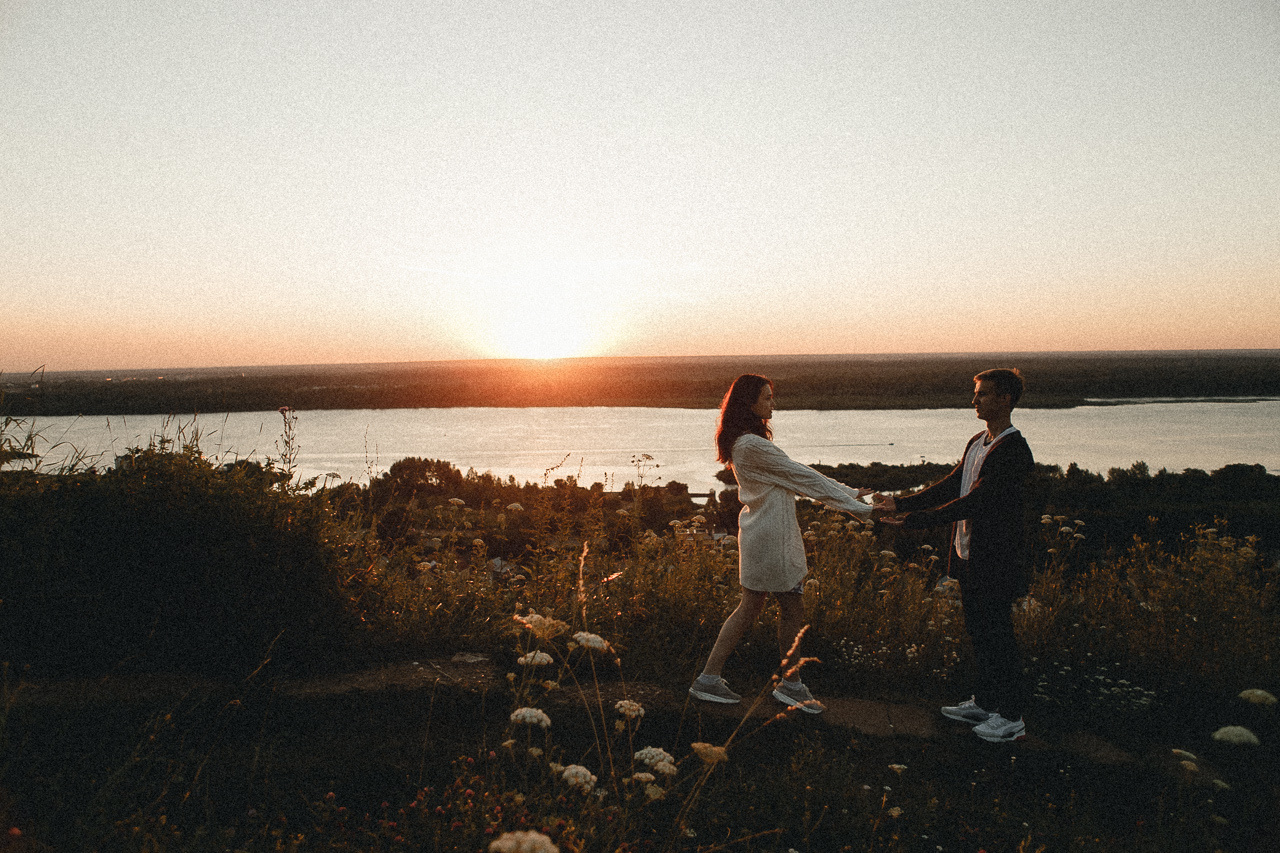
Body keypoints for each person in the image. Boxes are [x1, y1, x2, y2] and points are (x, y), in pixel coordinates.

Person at [689, 374, 875, 714]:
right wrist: (860, 508)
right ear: (749, 402)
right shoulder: (751, 445)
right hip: (772, 537)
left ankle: (712, 678)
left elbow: (798, 473)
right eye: (767, 397)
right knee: (788, 609)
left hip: (764, 533)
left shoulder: (745, 442)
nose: (773, 403)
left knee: (751, 608)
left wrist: (849, 493)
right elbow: (803, 477)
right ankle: (789, 685)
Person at [874, 368, 1035, 742]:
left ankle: (1011, 717)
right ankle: (985, 701)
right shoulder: (979, 441)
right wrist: (899, 502)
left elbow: (975, 503)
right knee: (980, 632)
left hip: (998, 560)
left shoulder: (1013, 451)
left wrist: (914, 521)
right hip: (970, 557)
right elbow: (952, 485)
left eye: (983, 394)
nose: (974, 401)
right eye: (976, 394)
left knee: (999, 636)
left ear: (1005, 399)